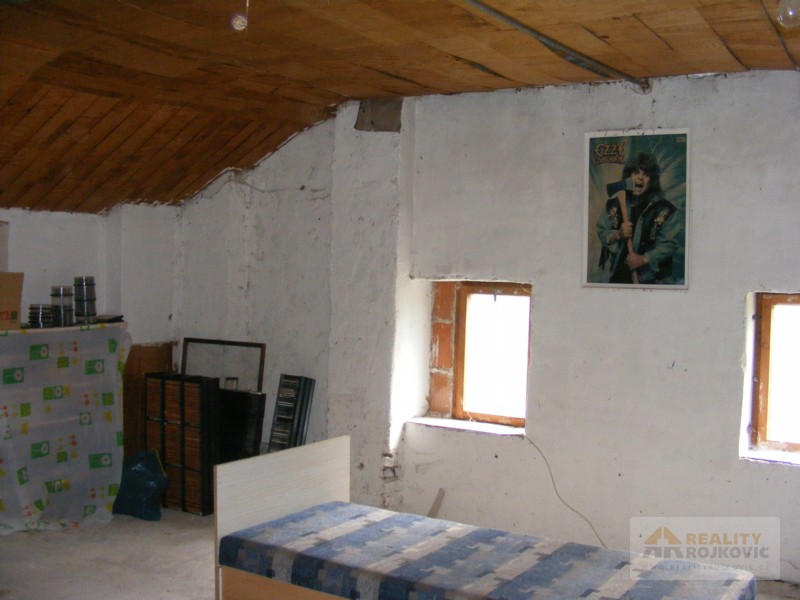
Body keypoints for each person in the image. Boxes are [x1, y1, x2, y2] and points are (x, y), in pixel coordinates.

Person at [595, 152, 681, 284]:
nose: (640, 178)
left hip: (647, 278)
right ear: (628, 176)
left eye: (646, 174)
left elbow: (670, 244)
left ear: (652, 180)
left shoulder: (665, 210)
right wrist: (618, 234)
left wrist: (645, 259)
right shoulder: (614, 205)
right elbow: (602, 230)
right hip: (617, 274)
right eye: (636, 172)